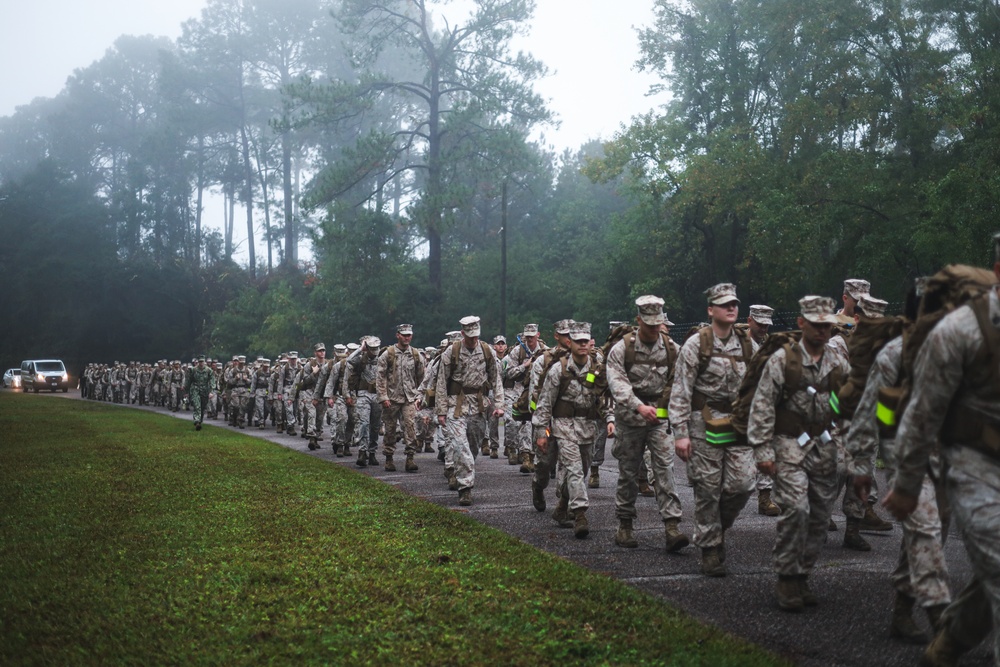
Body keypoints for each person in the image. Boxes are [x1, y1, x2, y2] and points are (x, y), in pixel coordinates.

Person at [883, 232, 1000, 665]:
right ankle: (925, 610)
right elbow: (917, 414)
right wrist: (904, 482)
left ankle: (947, 644)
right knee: (932, 535)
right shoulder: (958, 331)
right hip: (974, 466)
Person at [847, 283, 951, 643]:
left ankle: (902, 614)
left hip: (948, 460)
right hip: (905, 460)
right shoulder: (894, 355)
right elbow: (867, 413)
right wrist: (861, 464)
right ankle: (945, 624)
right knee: (926, 532)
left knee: (926, 538)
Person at [748, 296, 850, 612]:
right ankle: (786, 576)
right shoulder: (783, 360)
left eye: (827, 326)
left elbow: (848, 402)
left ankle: (803, 573)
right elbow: (763, 404)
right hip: (789, 442)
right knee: (796, 508)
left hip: (824, 443)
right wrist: (763, 451)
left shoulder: (837, 360)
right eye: (816, 325)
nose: (822, 331)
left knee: (820, 517)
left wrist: (849, 446)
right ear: (802, 323)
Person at [671, 284, 757, 576]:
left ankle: (716, 529)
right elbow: (681, 391)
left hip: (737, 423)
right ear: (711, 310)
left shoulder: (748, 345)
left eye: (734, 303)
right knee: (707, 490)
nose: (731, 308)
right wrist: (680, 433)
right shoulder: (696, 345)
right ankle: (710, 548)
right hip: (702, 423)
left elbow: (762, 386)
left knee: (742, 485)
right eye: (724, 304)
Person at [607, 296, 689, 553]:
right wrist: (638, 406)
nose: (654, 329)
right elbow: (617, 383)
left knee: (664, 469)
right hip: (630, 419)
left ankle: (672, 526)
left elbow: (679, 385)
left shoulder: (671, 348)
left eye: (658, 324)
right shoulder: (622, 349)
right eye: (649, 324)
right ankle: (625, 525)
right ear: (639, 320)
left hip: (659, 421)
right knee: (629, 473)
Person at [533, 321, 613, 538]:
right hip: (563, 426)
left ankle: (563, 506)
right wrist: (541, 432)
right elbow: (545, 402)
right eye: (578, 341)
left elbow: (604, 397)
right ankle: (579, 515)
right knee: (574, 469)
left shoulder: (597, 369)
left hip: (587, 427)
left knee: (583, 469)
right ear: (571, 343)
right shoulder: (559, 369)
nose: (582, 345)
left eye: (586, 341)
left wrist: (610, 418)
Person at [435, 316, 504, 506]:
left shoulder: (487, 351)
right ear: (463, 333)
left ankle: (463, 472)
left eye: (476, 336)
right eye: (470, 336)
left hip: (479, 405)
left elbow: (496, 379)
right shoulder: (452, 351)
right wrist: (441, 411)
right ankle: (465, 488)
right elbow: (441, 381)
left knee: (472, 447)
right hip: (455, 405)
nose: (474, 340)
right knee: (459, 445)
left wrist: (499, 405)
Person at [376, 324, 425, 472]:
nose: (407, 337)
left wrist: (419, 395)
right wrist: (383, 396)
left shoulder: (416, 355)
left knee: (410, 427)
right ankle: (389, 458)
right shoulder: (388, 354)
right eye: (404, 335)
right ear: (398, 335)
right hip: (391, 398)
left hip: (409, 397)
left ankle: (410, 458)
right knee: (390, 429)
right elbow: (380, 377)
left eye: (409, 335)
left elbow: (422, 377)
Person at [748, 305, 780, 517]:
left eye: (766, 325)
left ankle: (765, 496)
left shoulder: (769, 345)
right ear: (749, 320)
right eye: (759, 324)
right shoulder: (740, 344)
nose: (763, 328)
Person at [504, 324, 546, 467]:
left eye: (532, 336)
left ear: (538, 335)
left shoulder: (545, 351)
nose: (529, 339)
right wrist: (525, 366)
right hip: (518, 390)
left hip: (537, 391)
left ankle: (528, 455)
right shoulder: (517, 351)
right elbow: (508, 373)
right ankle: (513, 448)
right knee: (514, 422)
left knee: (531, 423)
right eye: (527, 336)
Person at [343, 337, 383, 468]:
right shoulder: (361, 359)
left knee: (375, 426)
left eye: (376, 349)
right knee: (363, 423)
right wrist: (361, 349)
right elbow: (349, 360)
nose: (374, 352)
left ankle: (372, 452)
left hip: (378, 395)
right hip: (363, 395)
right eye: (372, 349)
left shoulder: (382, 358)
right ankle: (362, 451)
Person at [184, 355, 217, 430]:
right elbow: (188, 381)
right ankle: (197, 421)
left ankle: (200, 420)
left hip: (205, 390)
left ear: (204, 362)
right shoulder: (193, 370)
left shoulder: (209, 370)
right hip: (195, 388)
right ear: (198, 362)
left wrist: (211, 391)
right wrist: (187, 391)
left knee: (203, 406)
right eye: (200, 361)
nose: (201, 363)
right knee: (197, 405)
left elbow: (212, 381)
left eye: (202, 361)